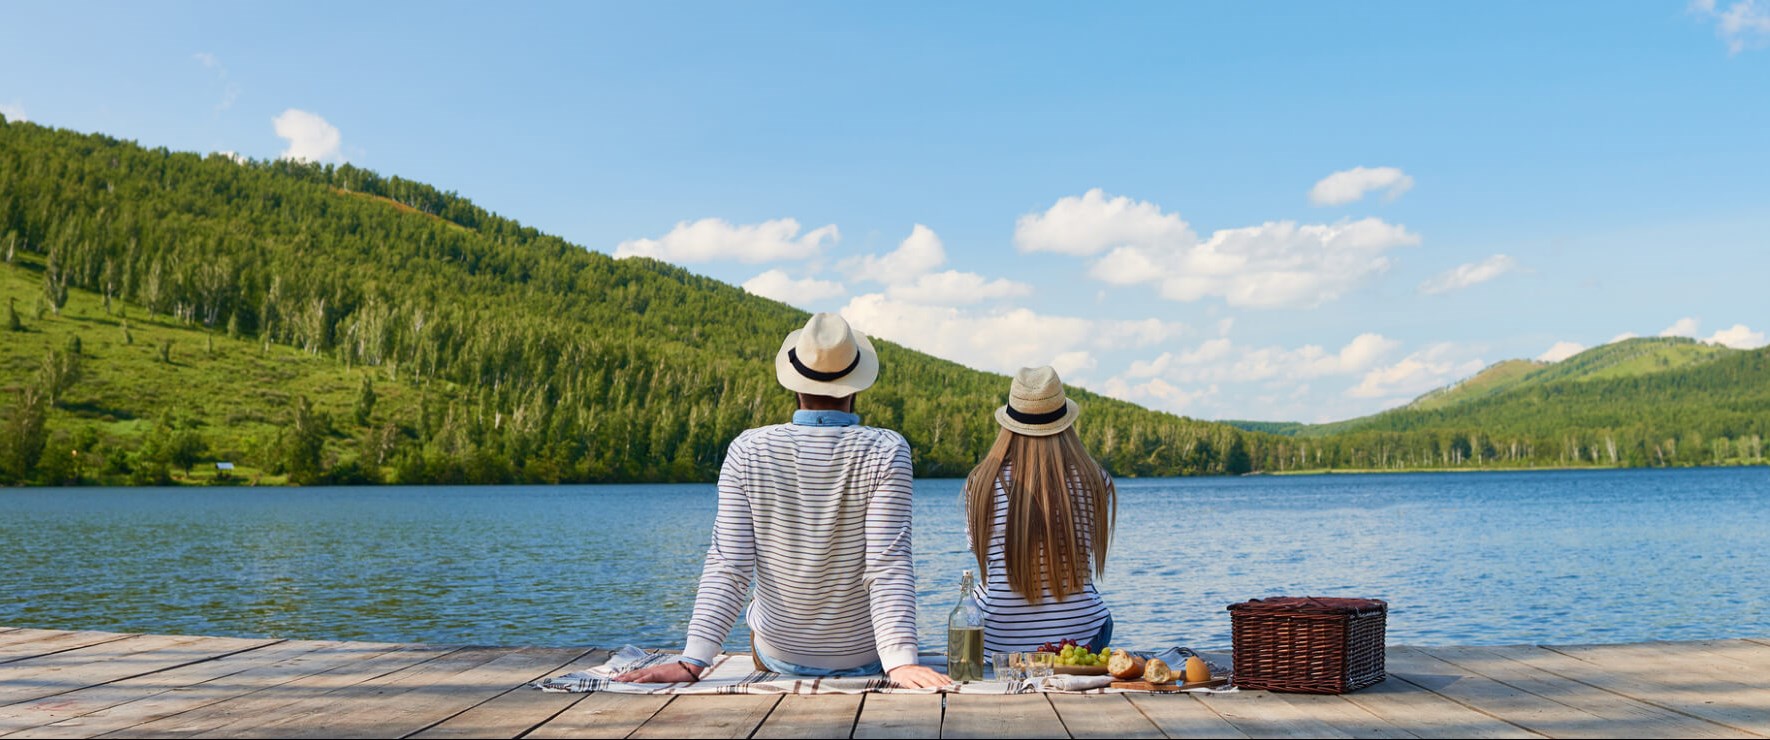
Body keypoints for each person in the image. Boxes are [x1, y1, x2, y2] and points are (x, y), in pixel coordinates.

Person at [617, 313, 949, 688]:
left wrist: (693, 661)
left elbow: (730, 565)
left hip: (779, 656)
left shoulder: (748, 450)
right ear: (856, 387)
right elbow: (888, 564)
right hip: (867, 657)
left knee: (756, 615)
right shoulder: (886, 450)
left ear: (795, 384)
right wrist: (900, 662)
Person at [963, 365, 1117, 654]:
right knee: (1094, 612)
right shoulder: (1095, 480)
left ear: (1008, 423)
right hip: (1079, 637)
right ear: (1065, 422)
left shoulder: (980, 483)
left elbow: (983, 554)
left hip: (998, 639)